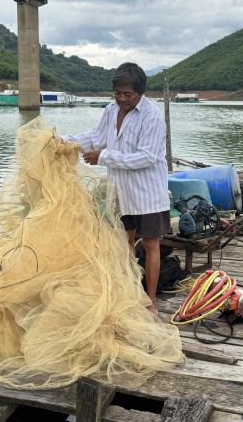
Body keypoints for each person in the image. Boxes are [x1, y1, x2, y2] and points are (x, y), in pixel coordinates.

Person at [62, 62, 169, 315]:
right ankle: (129, 290)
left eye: (127, 94)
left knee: (151, 244)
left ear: (140, 92)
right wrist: (64, 140)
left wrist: (103, 157)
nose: (121, 99)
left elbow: (147, 157)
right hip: (120, 190)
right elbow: (95, 137)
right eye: (117, 93)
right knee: (124, 241)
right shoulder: (111, 110)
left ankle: (151, 300)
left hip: (147, 192)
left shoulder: (151, 116)